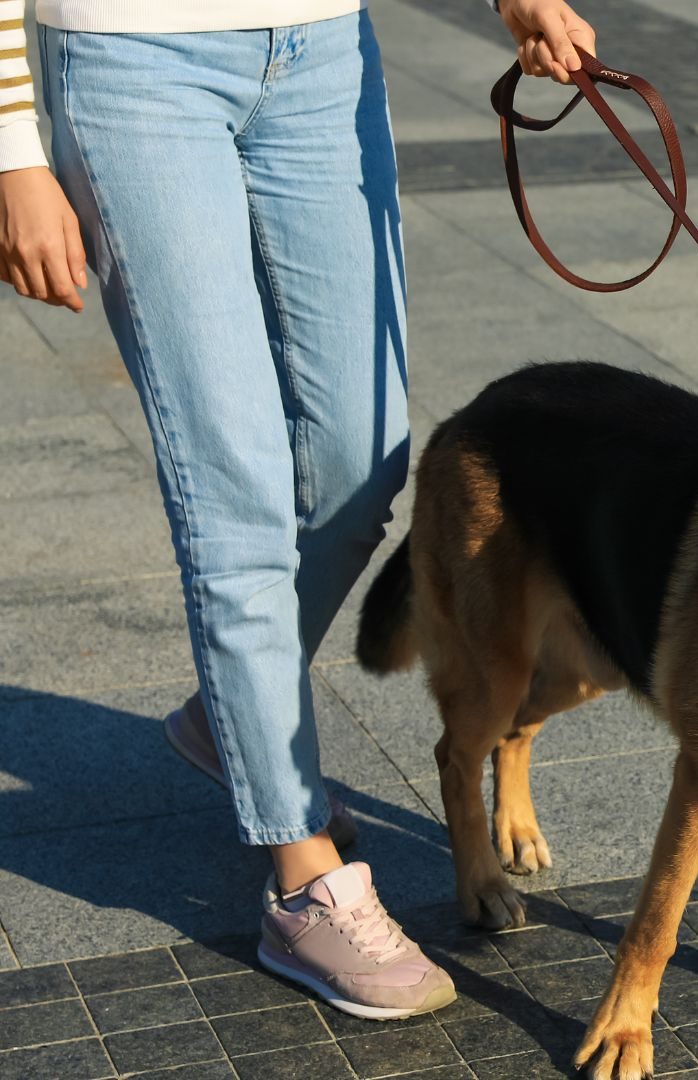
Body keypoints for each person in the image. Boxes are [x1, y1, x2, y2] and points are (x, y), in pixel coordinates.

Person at [0, 0, 597, 1020]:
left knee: (361, 462)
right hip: (129, 59)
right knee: (229, 481)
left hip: (320, 50)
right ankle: (301, 877)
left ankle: (223, 717)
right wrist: (13, 148)